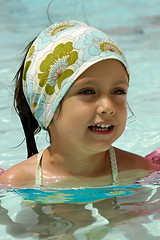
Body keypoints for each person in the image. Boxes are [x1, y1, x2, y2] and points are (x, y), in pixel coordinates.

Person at [0, 20, 158, 187]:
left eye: (118, 91)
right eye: (87, 92)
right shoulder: (18, 182)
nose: (108, 107)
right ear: (48, 108)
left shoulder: (138, 170)